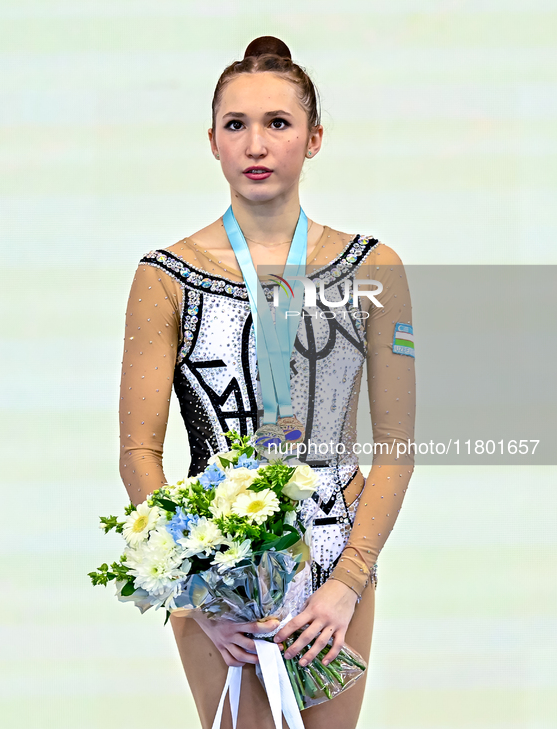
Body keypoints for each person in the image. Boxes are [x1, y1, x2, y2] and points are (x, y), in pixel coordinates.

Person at [119, 35, 415, 729]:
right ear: (213, 142)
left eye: (277, 124)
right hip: (216, 557)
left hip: (337, 548)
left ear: (312, 139)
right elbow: (138, 450)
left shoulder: (373, 267)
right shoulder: (166, 275)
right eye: (236, 125)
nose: (256, 144)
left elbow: (397, 440)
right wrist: (193, 589)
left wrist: (346, 582)